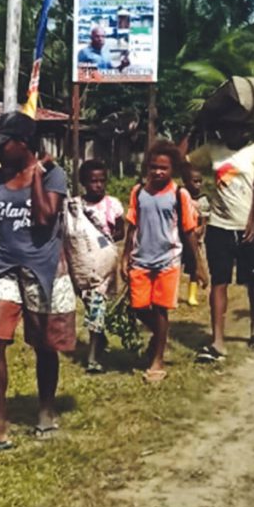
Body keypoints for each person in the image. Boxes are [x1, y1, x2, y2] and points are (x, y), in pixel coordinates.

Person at [0, 112, 76, 454]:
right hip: (4, 269)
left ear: (23, 145)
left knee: (44, 345)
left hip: (42, 270)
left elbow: (43, 218)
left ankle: (45, 409)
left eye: (3, 144)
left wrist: (37, 175)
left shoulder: (55, 175)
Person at [186, 121, 254, 362]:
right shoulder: (213, 149)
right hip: (220, 226)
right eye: (226, 126)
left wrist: (252, 224)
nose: (232, 131)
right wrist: (191, 130)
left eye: (237, 126)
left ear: (245, 128)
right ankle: (218, 341)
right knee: (219, 281)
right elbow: (183, 162)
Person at [121, 141, 203, 382]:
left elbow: (189, 232)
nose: (158, 172)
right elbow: (132, 225)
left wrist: (198, 266)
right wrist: (125, 257)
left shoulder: (180, 195)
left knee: (160, 309)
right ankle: (160, 337)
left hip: (168, 260)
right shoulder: (138, 192)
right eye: (154, 167)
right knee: (137, 306)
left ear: (173, 170)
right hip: (141, 260)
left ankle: (157, 359)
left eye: (164, 168)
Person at [75, 159, 125, 373]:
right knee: (90, 302)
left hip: (104, 264)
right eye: (93, 181)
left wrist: (102, 238)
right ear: (84, 182)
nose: (98, 185)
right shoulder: (75, 205)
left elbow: (121, 232)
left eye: (102, 181)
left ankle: (93, 356)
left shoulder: (112, 204)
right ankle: (100, 337)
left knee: (96, 304)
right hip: (81, 264)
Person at [181, 164, 210, 306]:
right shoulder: (180, 196)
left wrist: (201, 227)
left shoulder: (203, 199)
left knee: (194, 265)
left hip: (196, 237)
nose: (198, 184)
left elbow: (204, 216)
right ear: (186, 182)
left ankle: (192, 295)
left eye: (200, 181)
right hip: (181, 237)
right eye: (194, 181)